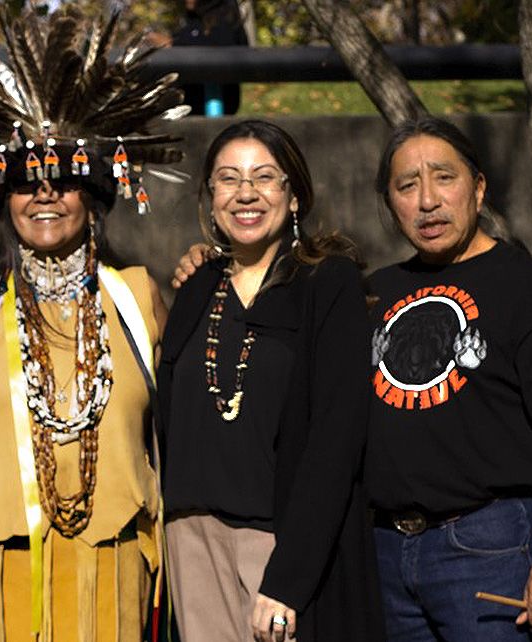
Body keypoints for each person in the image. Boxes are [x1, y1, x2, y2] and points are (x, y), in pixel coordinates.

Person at [0, 5, 182, 641]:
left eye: (64, 177)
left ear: (94, 194)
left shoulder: (138, 298)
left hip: (115, 566)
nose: (46, 194)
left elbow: (179, 432)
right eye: (27, 181)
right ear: (3, 198)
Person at [366, 116, 532, 642]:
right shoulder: (373, 294)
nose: (427, 200)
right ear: (391, 204)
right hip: (385, 552)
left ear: (478, 188)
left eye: (444, 178)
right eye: (407, 186)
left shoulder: (528, 287)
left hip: (489, 547)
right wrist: (210, 263)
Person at [157, 119, 384, 642]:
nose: (246, 193)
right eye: (229, 179)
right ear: (210, 195)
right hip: (192, 540)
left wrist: (288, 579)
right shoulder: (197, 288)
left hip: (280, 546)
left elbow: (337, 436)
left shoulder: (327, 282)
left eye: (264, 177)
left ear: (294, 195)